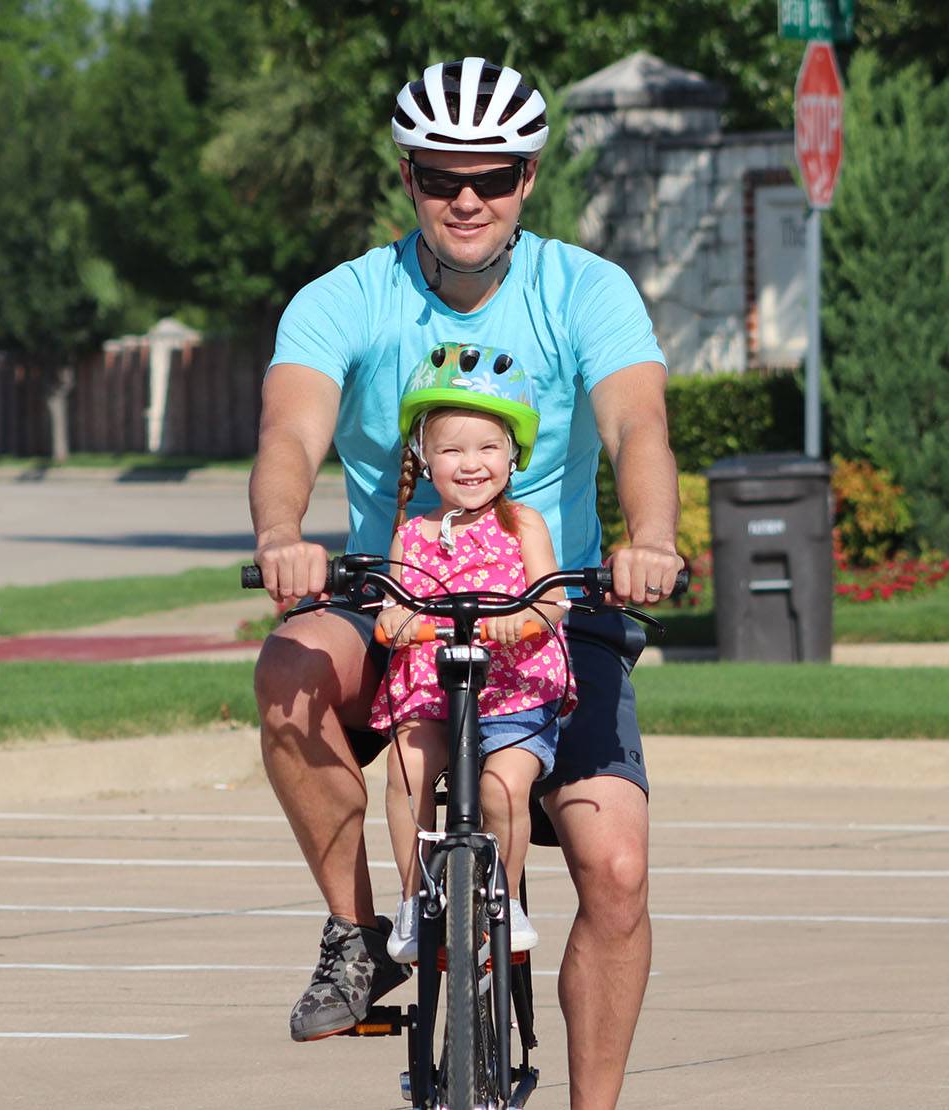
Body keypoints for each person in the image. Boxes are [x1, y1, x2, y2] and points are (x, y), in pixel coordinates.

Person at [250, 55, 683, 1109]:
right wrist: (281, 534)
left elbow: (636, 424)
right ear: (408, 178)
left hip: (550, 605)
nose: (467, 199)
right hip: (393, 595)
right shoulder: (344, 298)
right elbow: (289, 429)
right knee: (287, 666)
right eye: (443, 177)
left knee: (616, 874)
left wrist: (652, 537)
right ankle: (361, 936)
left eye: (491, 177)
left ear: (527, 180)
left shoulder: (585, 290)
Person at [372, 344, 576, 964]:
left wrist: (523, 620)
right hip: (435, 687)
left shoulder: (524, 524)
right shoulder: (413, 532)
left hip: (512, 690)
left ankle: (504, 901)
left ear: (512, 456)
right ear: (422, 456)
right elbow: (392, 603)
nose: (470, 464)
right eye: (451, 449)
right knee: (407, 770)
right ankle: (413, 898)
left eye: (487, 448)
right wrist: (398, 621)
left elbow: (556, 600)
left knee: (502, 787)